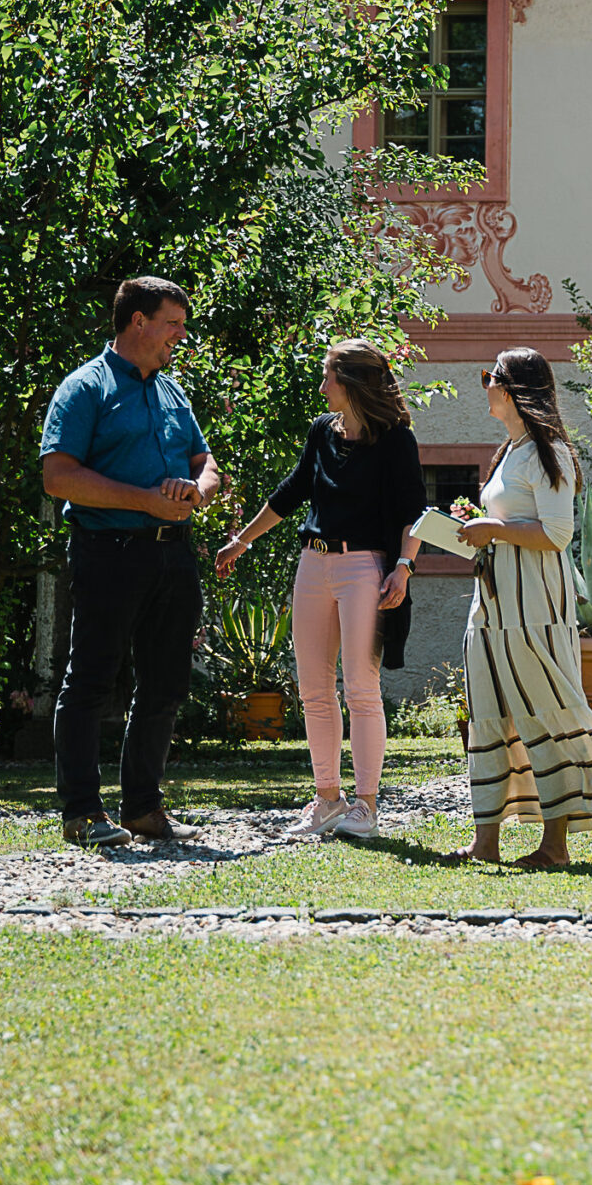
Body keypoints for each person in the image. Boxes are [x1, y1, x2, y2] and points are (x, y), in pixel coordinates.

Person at [215, 340, 427, 842]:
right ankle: (328, 799)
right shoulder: (321, 431)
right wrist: (241, 541)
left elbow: (414, 512)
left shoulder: (396, 439)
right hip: (314, 563)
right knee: (313, 688)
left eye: (328, 375)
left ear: (350, 382)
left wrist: (403, 567)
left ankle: (367, 806)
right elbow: (291, 492)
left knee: (360, 686)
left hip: (365, 567)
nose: (321, 385)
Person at [40, 277, 220, 848]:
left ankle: (143, 808)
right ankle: (81, 813)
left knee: (165, 683)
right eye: (172, 324)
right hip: (109, 552)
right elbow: (58, 477)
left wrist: (199, 488)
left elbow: (206, 460)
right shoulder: (84, 388)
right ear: (137, 321)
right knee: (90, 681)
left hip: (174, 556)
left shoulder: (171, 391)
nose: (180, 336)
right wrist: (143, 499)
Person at [456, 348, 592, 868]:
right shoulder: (509, 450)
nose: (485, 387)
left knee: (547, 716)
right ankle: (485, 842)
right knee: (488, 717)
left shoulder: (549, 452)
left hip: (534, 607)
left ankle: (555, 845)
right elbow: (512, 523)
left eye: (489, 377)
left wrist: (492, 529)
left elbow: (556, 534)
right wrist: (474, 526)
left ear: (514, 388)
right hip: (492, 607)